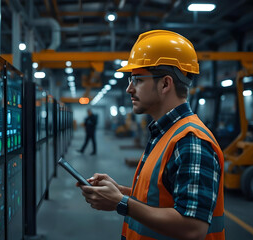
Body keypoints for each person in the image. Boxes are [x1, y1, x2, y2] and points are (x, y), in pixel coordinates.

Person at [78, 30, 224, 240]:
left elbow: (193, 228)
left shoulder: (191, 140)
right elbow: (160, 199)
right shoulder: (165, 133)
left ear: (165, 84)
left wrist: (121, 203)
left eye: (137, 79)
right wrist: (119, 192)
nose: (129, 89)